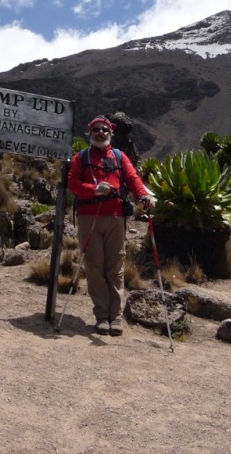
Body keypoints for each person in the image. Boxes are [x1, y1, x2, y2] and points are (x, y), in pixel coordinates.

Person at [67, 115, 154, 336]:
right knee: (94, 266)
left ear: (111, 133)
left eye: (105, 130)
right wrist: (94, 190)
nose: (101, 133)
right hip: (89, 217)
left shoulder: (119, 156)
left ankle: (115, 318)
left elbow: (133, 178)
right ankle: (102, 317)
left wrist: (143, 195)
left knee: (115, 266)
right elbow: (72, 183)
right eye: (96, 129)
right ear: (90, 132)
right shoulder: (81, 157)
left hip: (116, 216)